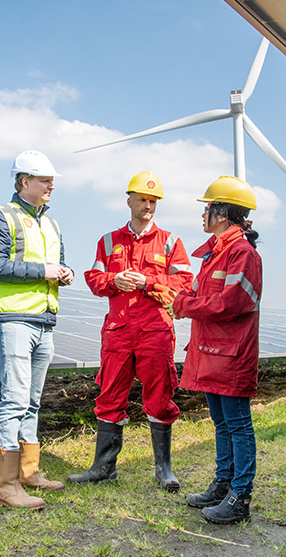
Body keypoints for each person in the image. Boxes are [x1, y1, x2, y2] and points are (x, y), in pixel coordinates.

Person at [68, 171, 195, 491]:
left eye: (153, 201)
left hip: (155, 330)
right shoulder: (108, 241)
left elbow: (184, 284)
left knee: (160, 398)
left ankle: (164, 469)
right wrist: (114, 281)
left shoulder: (170, 242)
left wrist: (149, 282)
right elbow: (94, 278)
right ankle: (103, 468)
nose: (148, 206)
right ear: (129, 201)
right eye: (142, 200)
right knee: (109, 396)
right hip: (118, 331)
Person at [149, 175, 262, 524]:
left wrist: (184, 306)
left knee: (238, 424)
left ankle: (240, 497)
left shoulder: (243, 254)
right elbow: (196, 295)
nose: (203, 215)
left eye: (207, 208)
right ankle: (223, 483)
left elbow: (232, 303)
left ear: (223, 213)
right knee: (222, 424)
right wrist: (176, 298)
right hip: (212, 352)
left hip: (231, 355)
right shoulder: (215, 254)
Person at [0, 149, 75, 510]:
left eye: (52, 180)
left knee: (32, 401)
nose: (52, 185)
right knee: (15, 400)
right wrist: (44, 271)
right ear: (24, 182)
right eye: (45, 179)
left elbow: (58, 263)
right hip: (14, 319)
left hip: (45, 321)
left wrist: (64, 272)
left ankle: (28, 472)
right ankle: (4, 485)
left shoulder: (51, 224)